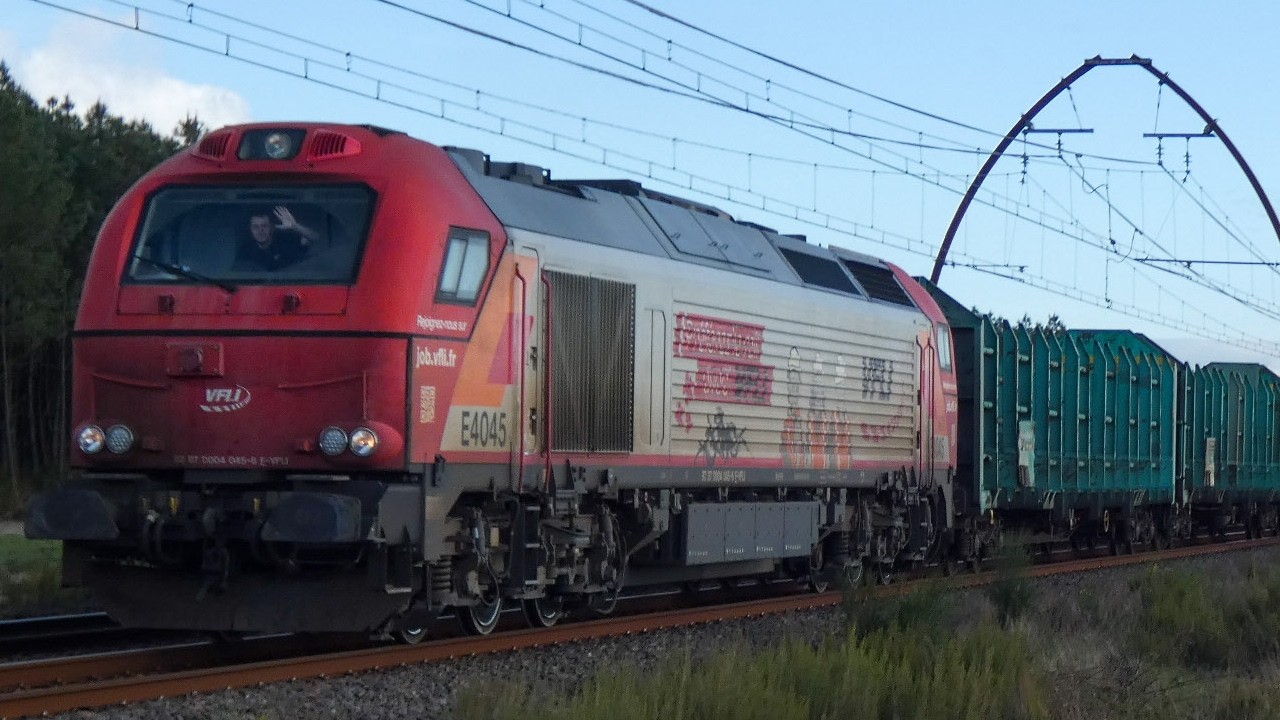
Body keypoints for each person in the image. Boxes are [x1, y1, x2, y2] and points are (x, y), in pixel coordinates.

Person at [234, 205, 320, 271]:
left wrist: (295, 226)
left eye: (264, 226)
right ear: (250, 230)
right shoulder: (245, 250)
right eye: (255, 227)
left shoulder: (287, 241)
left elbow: (315, 238)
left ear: (272, 228)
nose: (260, 231)